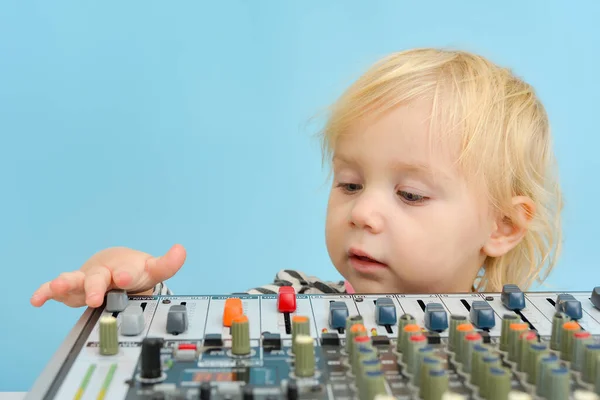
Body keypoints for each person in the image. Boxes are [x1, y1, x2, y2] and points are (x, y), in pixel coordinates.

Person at [30, 48, 563, 309]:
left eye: (410, 194)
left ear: (502, 226)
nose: (362, 212)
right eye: (350, 184)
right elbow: (189, 337)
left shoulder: (533, 332)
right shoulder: (292, 301)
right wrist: (134, 293)